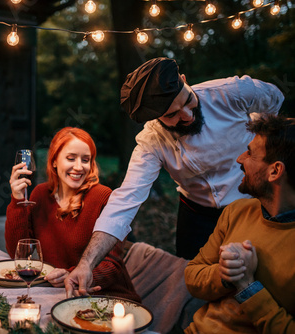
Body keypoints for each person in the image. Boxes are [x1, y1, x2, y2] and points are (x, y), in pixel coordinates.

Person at [65, 57, 284, 298]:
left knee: (260, 282)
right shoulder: (152, 142)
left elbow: (274, 100)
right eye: (172, 115)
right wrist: (86, 264)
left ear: (184, 80)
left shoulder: (232, 93)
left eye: (188, 101)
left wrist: (261, 144)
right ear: (156, 118)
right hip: (196, 217)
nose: (187, 115)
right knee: (196, 290)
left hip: (251, 208)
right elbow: (124, 202)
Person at [184, 115, 295, 333]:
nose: (240, 159)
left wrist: (248, 287)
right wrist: (224, 274)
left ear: (275, 171)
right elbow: (192, 275)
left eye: (250, 153)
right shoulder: (238, 211)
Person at [5, 127, 141, 301]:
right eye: (71, 158)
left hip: (105, 296)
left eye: (86, 160)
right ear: (54, 161)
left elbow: (112, 266)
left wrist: (70, 275)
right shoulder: (40, 194)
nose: (78, 167)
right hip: (59, 295)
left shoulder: (103, 197)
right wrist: (17, 201)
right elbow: (19, 255)